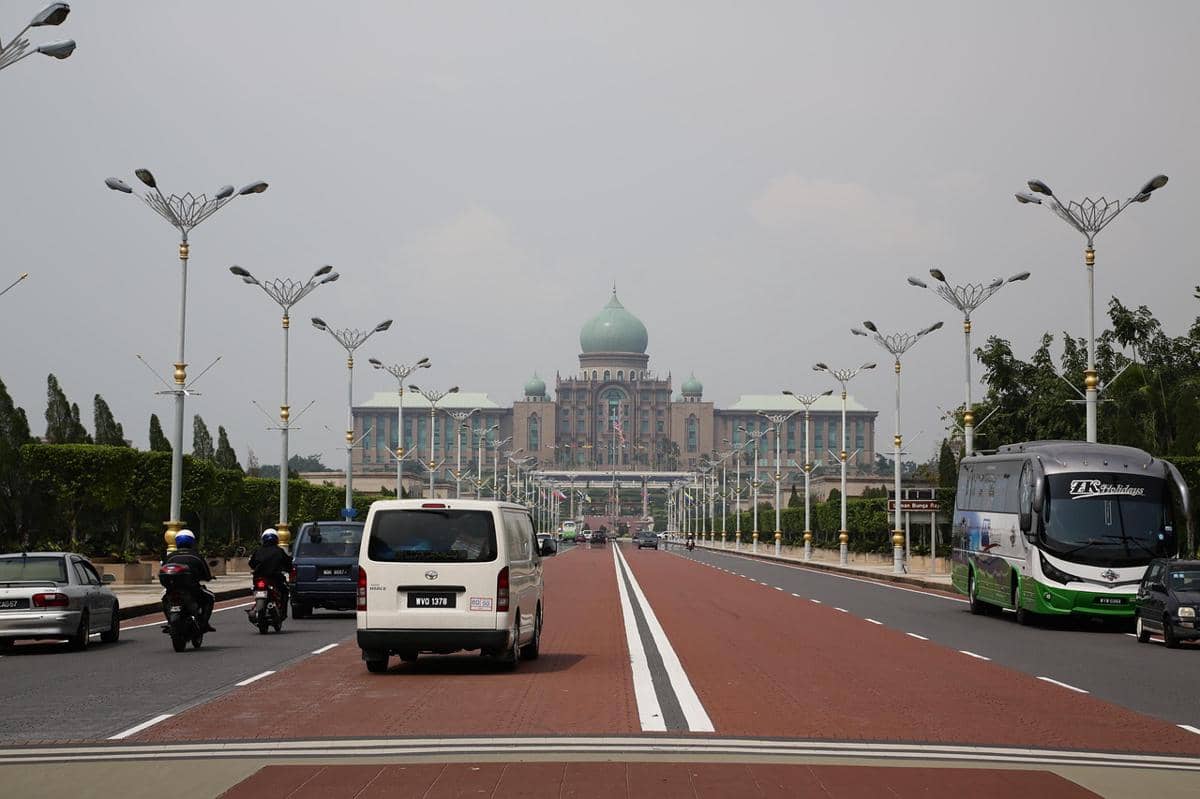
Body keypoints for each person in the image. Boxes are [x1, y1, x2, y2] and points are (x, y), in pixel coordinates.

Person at [161, 529, 217, 632]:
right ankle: (204, 623)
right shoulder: (196, 556)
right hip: (192, 589)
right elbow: (205, 573)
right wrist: (208, 578)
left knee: (165, 599)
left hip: (172, 589)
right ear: (192, 542)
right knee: (210, 597)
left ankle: (169, 622)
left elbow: (162, 570)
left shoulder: (170, 557)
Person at [249, 528, 293, 618]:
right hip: (275, 578)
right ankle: (283, 613)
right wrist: (289, 570)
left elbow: (251, 563)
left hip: (258, 578)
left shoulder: (258, 551)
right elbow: (288, 563)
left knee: (255, 588)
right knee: (285, 591)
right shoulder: (279, 551)